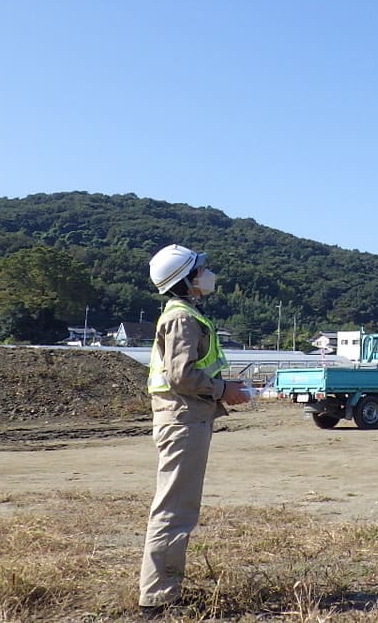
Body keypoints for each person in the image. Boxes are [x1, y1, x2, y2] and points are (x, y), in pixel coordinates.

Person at [138, 244, 249, 616]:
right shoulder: (182, 317)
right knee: (175, 509)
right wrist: (223, 390)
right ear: (186, 280)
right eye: (201, 269)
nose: (208, 274)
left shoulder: (184, 314)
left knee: (179, 507)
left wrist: (220, 388)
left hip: (187, 418)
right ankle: (158, 599)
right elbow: (181, 375)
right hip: (183, 420)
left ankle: (163, 591)